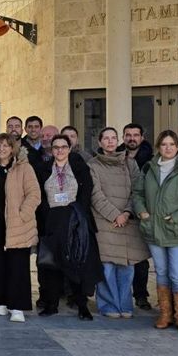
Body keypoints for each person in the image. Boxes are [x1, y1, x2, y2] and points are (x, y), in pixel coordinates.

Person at [132, 130, 178, 333]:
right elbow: (138, 193)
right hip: (154, 228)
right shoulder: (150, 168)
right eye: (164, 144)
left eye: (172, 144)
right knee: (162, 272)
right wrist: (142, 212)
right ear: (158, 147)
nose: (168, 148)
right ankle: (165, 314)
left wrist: (177, 218)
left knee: (177, 274)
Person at [0, 133, 40, 322]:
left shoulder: (23, 168)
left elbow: (34, 194)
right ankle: (1, 303)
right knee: (0, 264)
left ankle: (17, 306)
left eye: (6, 145)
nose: (2, 149)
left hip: (17, 224)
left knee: (18, 265)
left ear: (13, 148)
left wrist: (22, 215)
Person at [36, 135, 100, 319]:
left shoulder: (80, 169)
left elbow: (86, 193)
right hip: (51, 221)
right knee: (51, 265)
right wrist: (46, 214)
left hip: (75, 222)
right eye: (56, 147)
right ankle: (51, 304)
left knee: (76, 265)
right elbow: (39, 195)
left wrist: (77, 214)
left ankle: (82, 306)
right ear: (51, 150)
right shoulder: (43, 169)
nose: (60, 150)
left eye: (63, 147)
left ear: (70, 149)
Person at [89, 127, 147, 319]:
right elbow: (95, 195)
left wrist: (127, 212)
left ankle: (125, 304)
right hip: (106, 222)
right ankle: (108, 305)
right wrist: (115, 215)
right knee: (106, 267)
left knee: (126, 266)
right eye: (106, 138)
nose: (110, 142)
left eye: (114, 138)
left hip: (127, 222)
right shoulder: (93, 165)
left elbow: (138, 190)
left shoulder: (129, 163)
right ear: (99, 142)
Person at [117, 122, 154, 311]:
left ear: (142, 138)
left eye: (135, 135)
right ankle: (119, 297)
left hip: (139, 212)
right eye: (128, 135)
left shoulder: (150, 160)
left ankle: (140, 295)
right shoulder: (115, 156)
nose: (132, 138)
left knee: (140, 259)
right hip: (117, 212)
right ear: (123, 137)